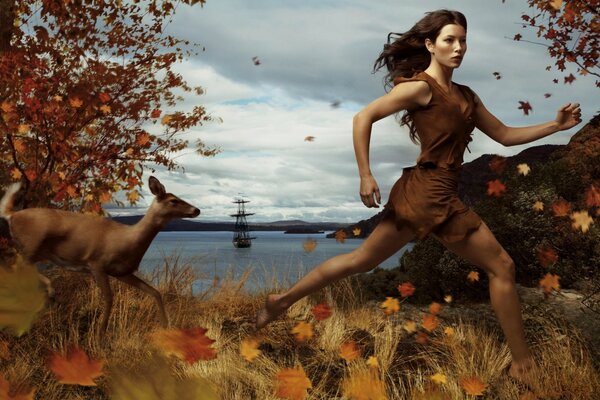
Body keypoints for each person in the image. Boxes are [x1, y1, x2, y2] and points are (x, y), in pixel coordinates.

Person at [255, 9, 581, 391]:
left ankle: (281, 300)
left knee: (360, 261)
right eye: (449, 40)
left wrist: (555, 126)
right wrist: (365, 173)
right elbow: (363, 117)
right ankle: (523, 366)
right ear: (430, 44)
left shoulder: (466, 96)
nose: (458, 48)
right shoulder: (420, 87)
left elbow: (506, 135)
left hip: (430, 191)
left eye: (463, 41)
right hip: (430, 194)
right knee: (502, 267)